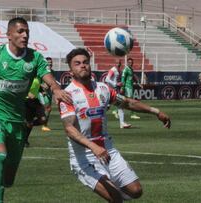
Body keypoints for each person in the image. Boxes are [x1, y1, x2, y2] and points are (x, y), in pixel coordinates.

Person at [0, 17, 71, 202]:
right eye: (20, 31)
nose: (25, 35)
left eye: (27, 32)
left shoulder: (35, 58)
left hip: (18, 122)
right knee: (0, 155)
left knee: (6, 181)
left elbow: (48, 77)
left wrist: (56, 88)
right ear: (8, 35)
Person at [59, 48, 171, 202]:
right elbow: (69, 129)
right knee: (116, 198)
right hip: (84, 158)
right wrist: (93, 146)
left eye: (85, 62)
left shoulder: (103, 89)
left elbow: (127, 103)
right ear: (70, 70)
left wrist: (156, 111)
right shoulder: (67, 95)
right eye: (77, 63)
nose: (83, 66)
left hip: (108, 151)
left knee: (136, 191)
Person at [105, 59, 131, 129]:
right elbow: (107, 79)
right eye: (117, 63)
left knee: (120, 105)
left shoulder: (119, 70)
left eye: (119, 63)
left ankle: (122, 123)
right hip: (110, 91)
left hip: (114, 91)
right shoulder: (113, 70)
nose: (118, 64)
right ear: (114, 63)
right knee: (105, 108)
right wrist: (116, 84)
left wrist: (120, 86)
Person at [24, 77, 47, 147]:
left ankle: (27, 125)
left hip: (35, 101)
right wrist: (27, 93)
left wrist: (42, 90)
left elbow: (37, 85)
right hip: (26, 101)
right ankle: (25, 140)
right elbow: (19, 87)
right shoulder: (26, 75)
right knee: (29, 123)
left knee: (43, 119)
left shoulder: (39, 77)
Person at [38, 57, 54, 132]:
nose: (50, 64)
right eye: (48, 62)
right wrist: (42, 88)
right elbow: (38, 82)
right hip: (43, 92)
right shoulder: (42, 71)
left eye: (51, 62)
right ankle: (44, 125)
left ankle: (44, 124)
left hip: (49, 92)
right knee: (47, 108)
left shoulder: (52, 71)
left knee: (48, 109)